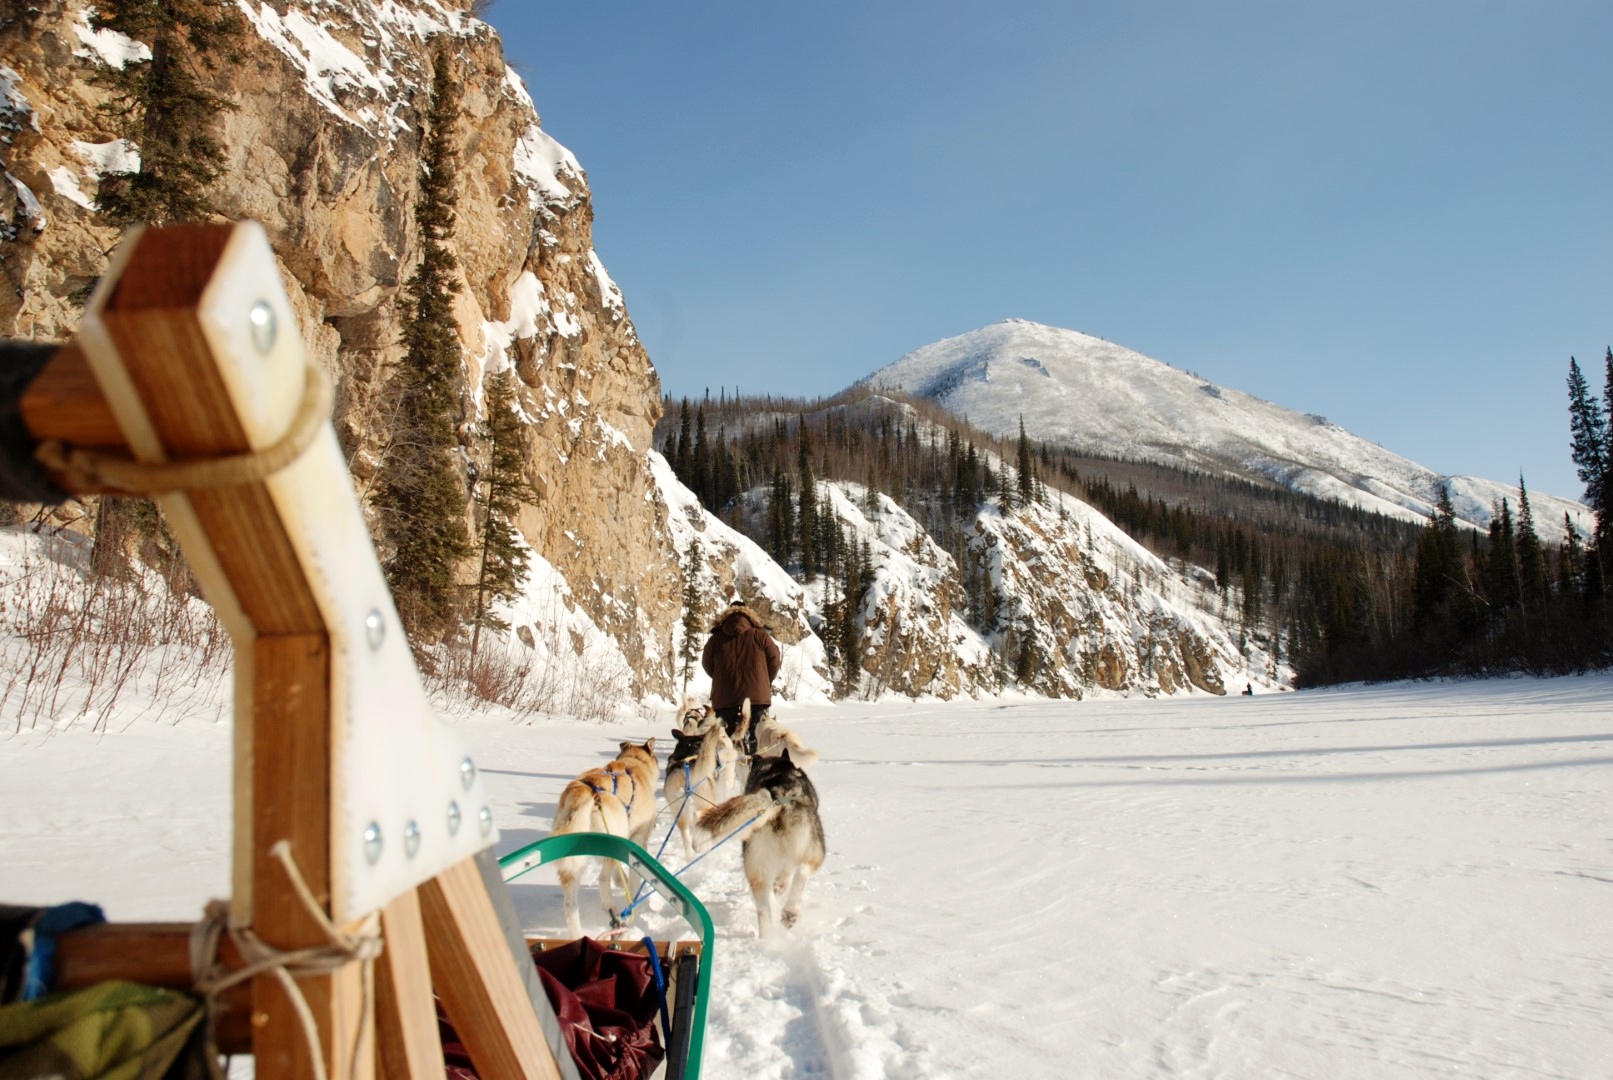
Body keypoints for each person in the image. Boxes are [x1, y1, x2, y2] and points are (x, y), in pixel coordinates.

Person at [702, 597, 781, 757]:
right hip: (756, 696)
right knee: (756, 735)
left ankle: (729, 770)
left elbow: (707, 665)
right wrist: (765, 681)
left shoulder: (715, 639)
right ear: (749, 615)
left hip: (725, 697)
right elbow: (774, 661)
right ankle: (753, 768)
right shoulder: (761, 635)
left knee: (726, 736)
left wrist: (721, 679)